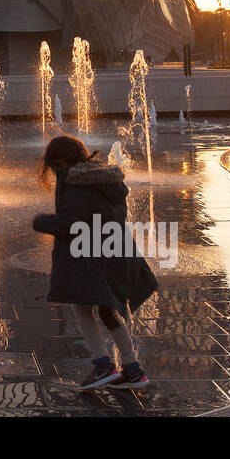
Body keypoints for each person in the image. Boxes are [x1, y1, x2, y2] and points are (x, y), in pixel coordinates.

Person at [32, 134, 158, 390]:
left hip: (95, 258)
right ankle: (133, 370)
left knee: (84, 307)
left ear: (61, 162)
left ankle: (104, 365)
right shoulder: (104, 179)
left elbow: (73, 224)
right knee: (106, 310)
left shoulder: (77, 184)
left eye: (54, 167)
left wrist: (41, 222)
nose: (54, 172)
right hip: (114, 252)